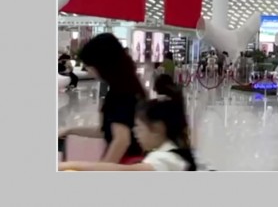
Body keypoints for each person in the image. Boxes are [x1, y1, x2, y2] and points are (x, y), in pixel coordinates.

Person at [59, 74, 197, 171]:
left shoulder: (163, 160)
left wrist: (69, 165)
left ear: (157, 128)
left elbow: (120, 171)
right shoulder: (175, 151)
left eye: (139, 128)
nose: (134, 132)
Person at [58, 33, 147, 164]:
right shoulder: (128, 87)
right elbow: (106, 131)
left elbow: (122, 140)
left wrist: (103, 168)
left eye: (89, 66)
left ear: (103, 65)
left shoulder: (120, 94)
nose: (88, 71)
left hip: (123, 164)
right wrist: (70, 130)